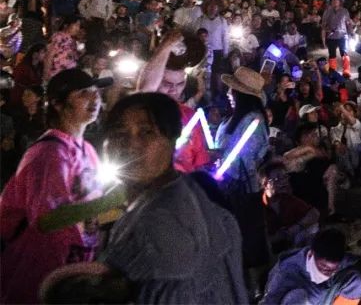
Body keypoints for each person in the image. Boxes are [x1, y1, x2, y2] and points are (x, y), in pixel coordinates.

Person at [75, 92, 246, 303]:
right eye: (119, 132)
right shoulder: (176, 196)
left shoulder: (162, 222)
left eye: (146, 132)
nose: (130, 144)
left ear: (172, 139)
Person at [0, 68, 111, 304]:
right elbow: (48, 220)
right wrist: (114, 202)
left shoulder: (87, 150)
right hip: (37, 275)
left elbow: (93, 212)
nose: (95, 99)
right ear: (58, 104)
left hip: (71, 272)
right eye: (83, 93)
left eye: (96, 92)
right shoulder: (49, 153)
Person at [217, 65, 273, 297]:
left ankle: (255, 286)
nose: (229, 93)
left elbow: (250, 156)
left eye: (232, 90)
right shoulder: (235, 118)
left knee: (248, 235)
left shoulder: (253, 121)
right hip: (230, 185)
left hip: (243, 187)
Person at [135, 30, 211, 173]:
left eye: (180, 84)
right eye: (167, 84)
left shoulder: (189, 116)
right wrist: (166, 46)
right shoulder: (142, 113)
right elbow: (145, 90)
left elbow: (199, 163)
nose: (174, 90)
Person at [264, 228, 361, 305]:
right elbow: (269, 301)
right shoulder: (285, 273)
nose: (326, 273)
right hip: (304, 300)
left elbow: (351, 260)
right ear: (311, 254)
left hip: (322, 293)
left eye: (332, 269)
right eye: (323, 267)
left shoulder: (333, 257)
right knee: (297, 297)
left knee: (357, 280)